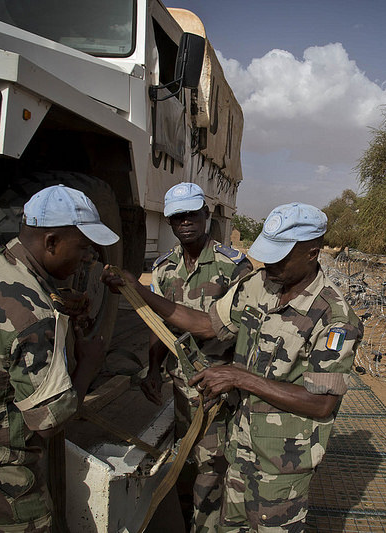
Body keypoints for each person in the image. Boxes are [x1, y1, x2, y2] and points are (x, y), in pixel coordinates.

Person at [102, 202, 363, 532]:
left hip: (282, 463)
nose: (269, 262)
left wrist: (241, 377)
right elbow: (206, 324)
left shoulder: (334, 318)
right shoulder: (260, 284)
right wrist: (140, 292)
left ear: (312, 252)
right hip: (240, 447)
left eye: (281, 254)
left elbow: (321, 402)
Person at [0, 184, 119, 532]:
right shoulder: (37, 316)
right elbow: (49, 422)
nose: (88, 258)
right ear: (51, 242)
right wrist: (90, 360)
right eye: (84, 247)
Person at [144, 182, 253, 532]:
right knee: (185, 465)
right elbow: (159, 324)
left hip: (219, 388)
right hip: (181, 386)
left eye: (192, 214)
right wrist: (152, 368)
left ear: (206, 215)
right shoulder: (163, 268)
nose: (185, 222)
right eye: (177, 217)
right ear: (170, 223)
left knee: (213, 470)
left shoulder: (234, 266)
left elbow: (246, 331)